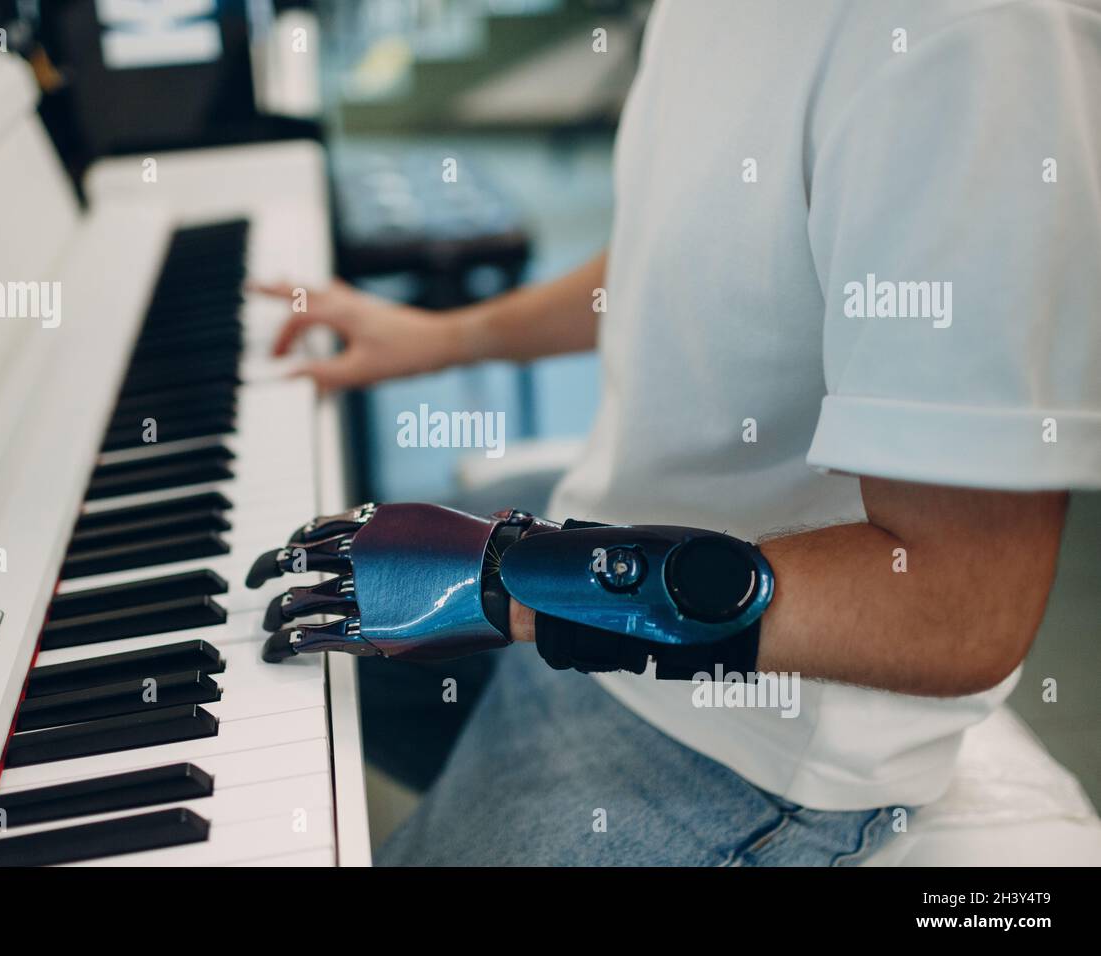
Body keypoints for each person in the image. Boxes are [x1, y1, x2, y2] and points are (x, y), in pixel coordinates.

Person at [253, 0, 1101, 865]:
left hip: (752, 732)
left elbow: (957, 606)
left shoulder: (974, 37)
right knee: (261, 641)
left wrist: (516, 585)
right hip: (608, 540)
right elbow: (682, 246)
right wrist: (446, 339)